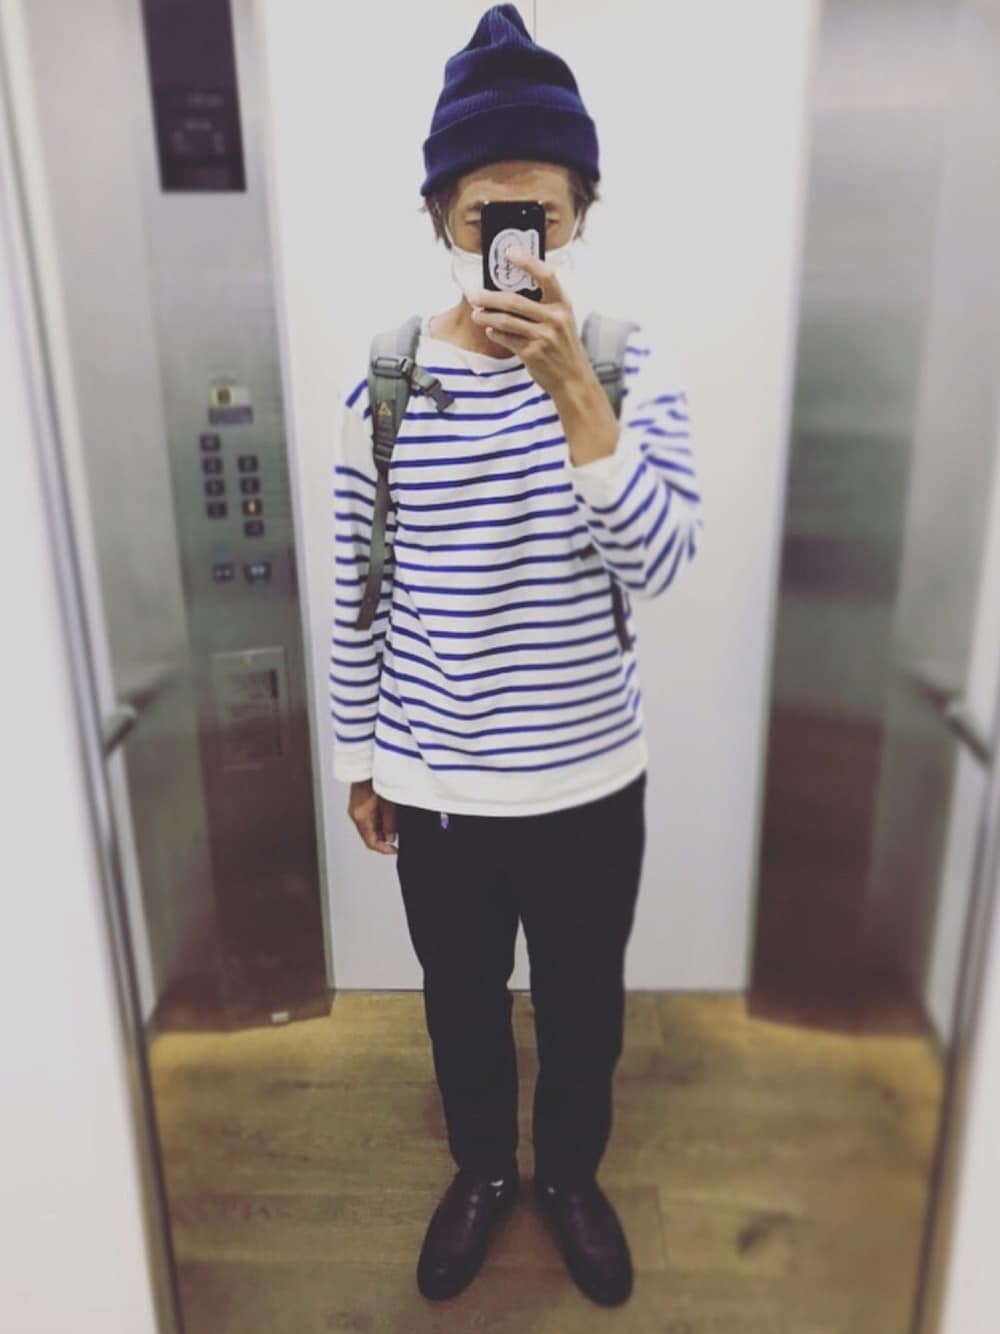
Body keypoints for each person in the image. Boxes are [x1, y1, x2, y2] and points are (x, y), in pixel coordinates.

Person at [330, 2, 702, 1309]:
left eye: (536, 210)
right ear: (444, 215)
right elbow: (360, 589)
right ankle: (485, 1169)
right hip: (439, 783)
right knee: (461, 1003)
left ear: (578, 216)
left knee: (586, 1006)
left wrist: (577, 400)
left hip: (592, 776)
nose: (512, 235)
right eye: (488, 208)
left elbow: (662, 560)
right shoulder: (385, 382)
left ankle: (573, 1177)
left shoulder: (627, 366)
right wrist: (359, 757)